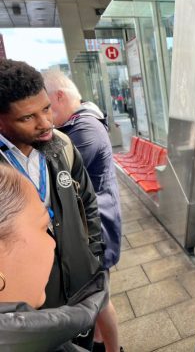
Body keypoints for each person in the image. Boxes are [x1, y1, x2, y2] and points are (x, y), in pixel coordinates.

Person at [0, 59, 105, 349]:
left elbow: (87, 202)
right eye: (27, 117)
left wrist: (93, 256)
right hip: (29, 306)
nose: (45, 123)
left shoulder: (62, 145)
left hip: (80, 284)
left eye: (46, 108)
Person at [43, 70, 122, 352]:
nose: (44, 120)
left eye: (45, 108)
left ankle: (111, 348)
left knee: (99, 297)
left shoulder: (84, 129)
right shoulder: (79, 125)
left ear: (59, 97)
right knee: (96, 297)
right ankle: (101, 344)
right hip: (93, 225)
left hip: (98, 228)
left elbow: (59, 180)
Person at [0, 164, 109, 351]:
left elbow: (87, 202)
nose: (53, 242)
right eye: (44, 227)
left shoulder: (61, 149)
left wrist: (93, 250)